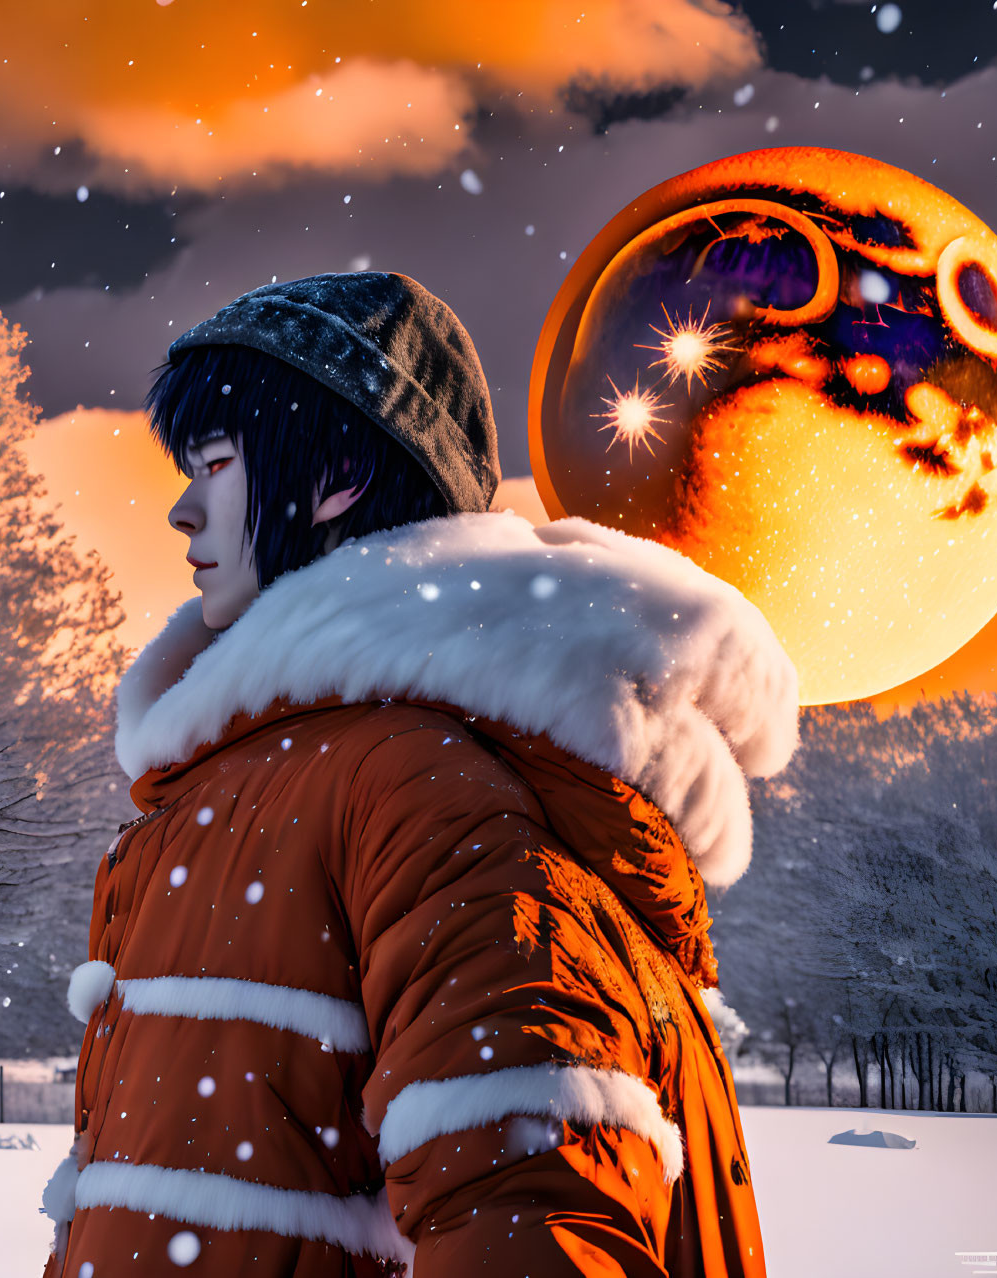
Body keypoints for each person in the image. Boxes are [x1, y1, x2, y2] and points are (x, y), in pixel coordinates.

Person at [40, 271, 798, 1276]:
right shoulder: (257, 781)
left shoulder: (417, 792)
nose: (182, 509)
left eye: (215, 462)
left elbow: (529, 1214)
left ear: (339, 473)